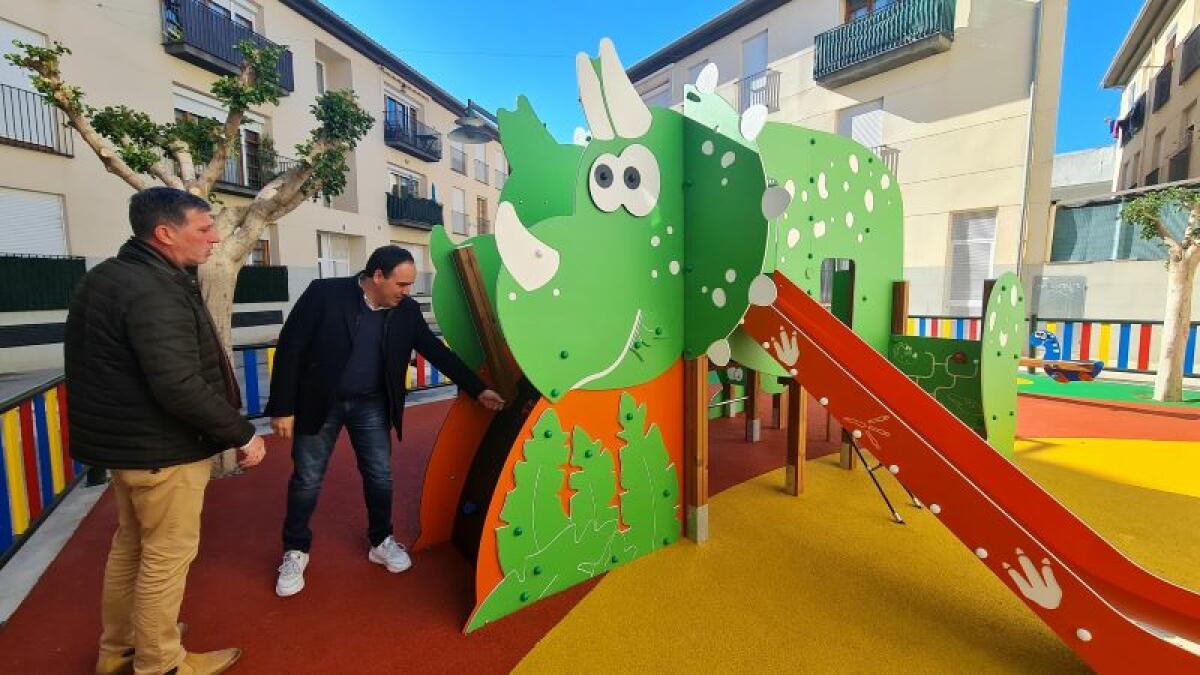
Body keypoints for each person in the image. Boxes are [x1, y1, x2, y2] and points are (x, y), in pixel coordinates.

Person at [65, 187, 266, 675]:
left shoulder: (109, 277)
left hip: (129, 448)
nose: (215, 238)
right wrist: (241, 433)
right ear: (165, 233)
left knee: (130, 550)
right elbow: (177, 384)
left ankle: (120, 651)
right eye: (203, 228)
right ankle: (161, 665)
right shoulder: (153, 289)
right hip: (161, 450)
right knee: (164, 560)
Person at [266, 245, 503, 597]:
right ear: (377, 276)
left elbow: (435, 351)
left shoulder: (405, 310)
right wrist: (282, 408)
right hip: (321, 403)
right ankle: (295, 550)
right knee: (307, 479)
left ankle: (380, 540)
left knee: (380, 475)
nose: (407, 292)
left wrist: (478, 389)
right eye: (402, 284)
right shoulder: (325, 295)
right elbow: (291, 348)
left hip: (371, 404)